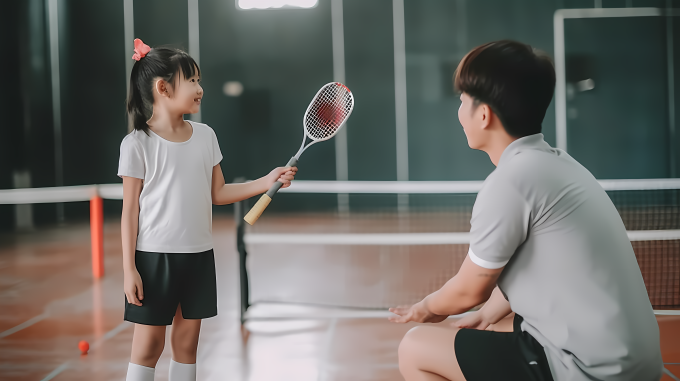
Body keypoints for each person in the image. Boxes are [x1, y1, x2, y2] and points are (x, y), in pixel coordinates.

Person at [388, 40, 662, 381]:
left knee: (414, 347)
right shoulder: (559, 164)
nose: (459, 112)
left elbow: (469, 290)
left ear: (483, 114)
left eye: (462, 102)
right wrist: (486, 314)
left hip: (591, 371)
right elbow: (536, 266)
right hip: (635, 364)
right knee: (499, 325)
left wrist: (424, 308)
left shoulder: (510, 182)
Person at [119, 39, 297, 381]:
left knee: (187, 344)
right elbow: (130, 213)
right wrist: (130, 269)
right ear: (163, 87)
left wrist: (267, 180)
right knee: (148, 347)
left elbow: (218, 192)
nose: (200, 89)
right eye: (193, 81)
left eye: (199, 81)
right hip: (154, 258)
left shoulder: (205, 136)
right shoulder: (137, 144)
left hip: (199, 256)